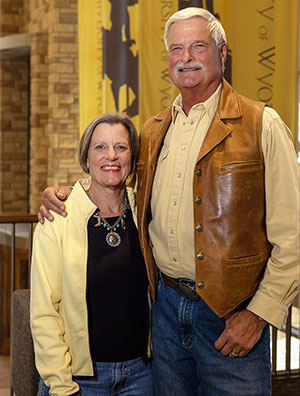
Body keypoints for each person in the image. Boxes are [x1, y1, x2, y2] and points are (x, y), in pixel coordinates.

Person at [39, 7, 300, 396]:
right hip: (162, 316)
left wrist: (259, 314)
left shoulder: (261, 124)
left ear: (222, 52)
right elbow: (120, 185)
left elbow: (293, 234)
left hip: (230, 316)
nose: (187, 56)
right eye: (176, 48)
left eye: (199, 45)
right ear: (167, 60)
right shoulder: (153, 130)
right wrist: (64, 194)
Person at [31, 113, 153, 396]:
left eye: (121, 147)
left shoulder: (146, 212)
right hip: (78, 380)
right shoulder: (58, 218)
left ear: (133, 159)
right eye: (100, 147)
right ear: (86, 159)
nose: (111, 155)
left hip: (141, 375)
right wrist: (60, 384)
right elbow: (44, 312)